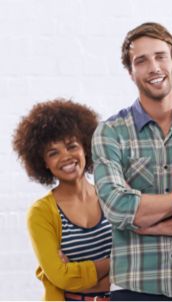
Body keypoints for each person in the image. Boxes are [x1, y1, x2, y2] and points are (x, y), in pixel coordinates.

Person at [92, 22, 172, 301]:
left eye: (161, 56)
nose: (154, 67)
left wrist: (147, 217)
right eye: (141, 60)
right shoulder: (110, 133)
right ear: (130, 71)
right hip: (135, 289)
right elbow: (116, 206)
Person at [17, 99, 112, 301]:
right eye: (53, 153)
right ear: (44, 163)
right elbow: (62, 278)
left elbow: (141, 263)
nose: (66, 157)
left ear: (85, 147)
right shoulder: (41, 213)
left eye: (71, 146)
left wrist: (78, 273)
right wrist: (113, 263)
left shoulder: (112, 196)